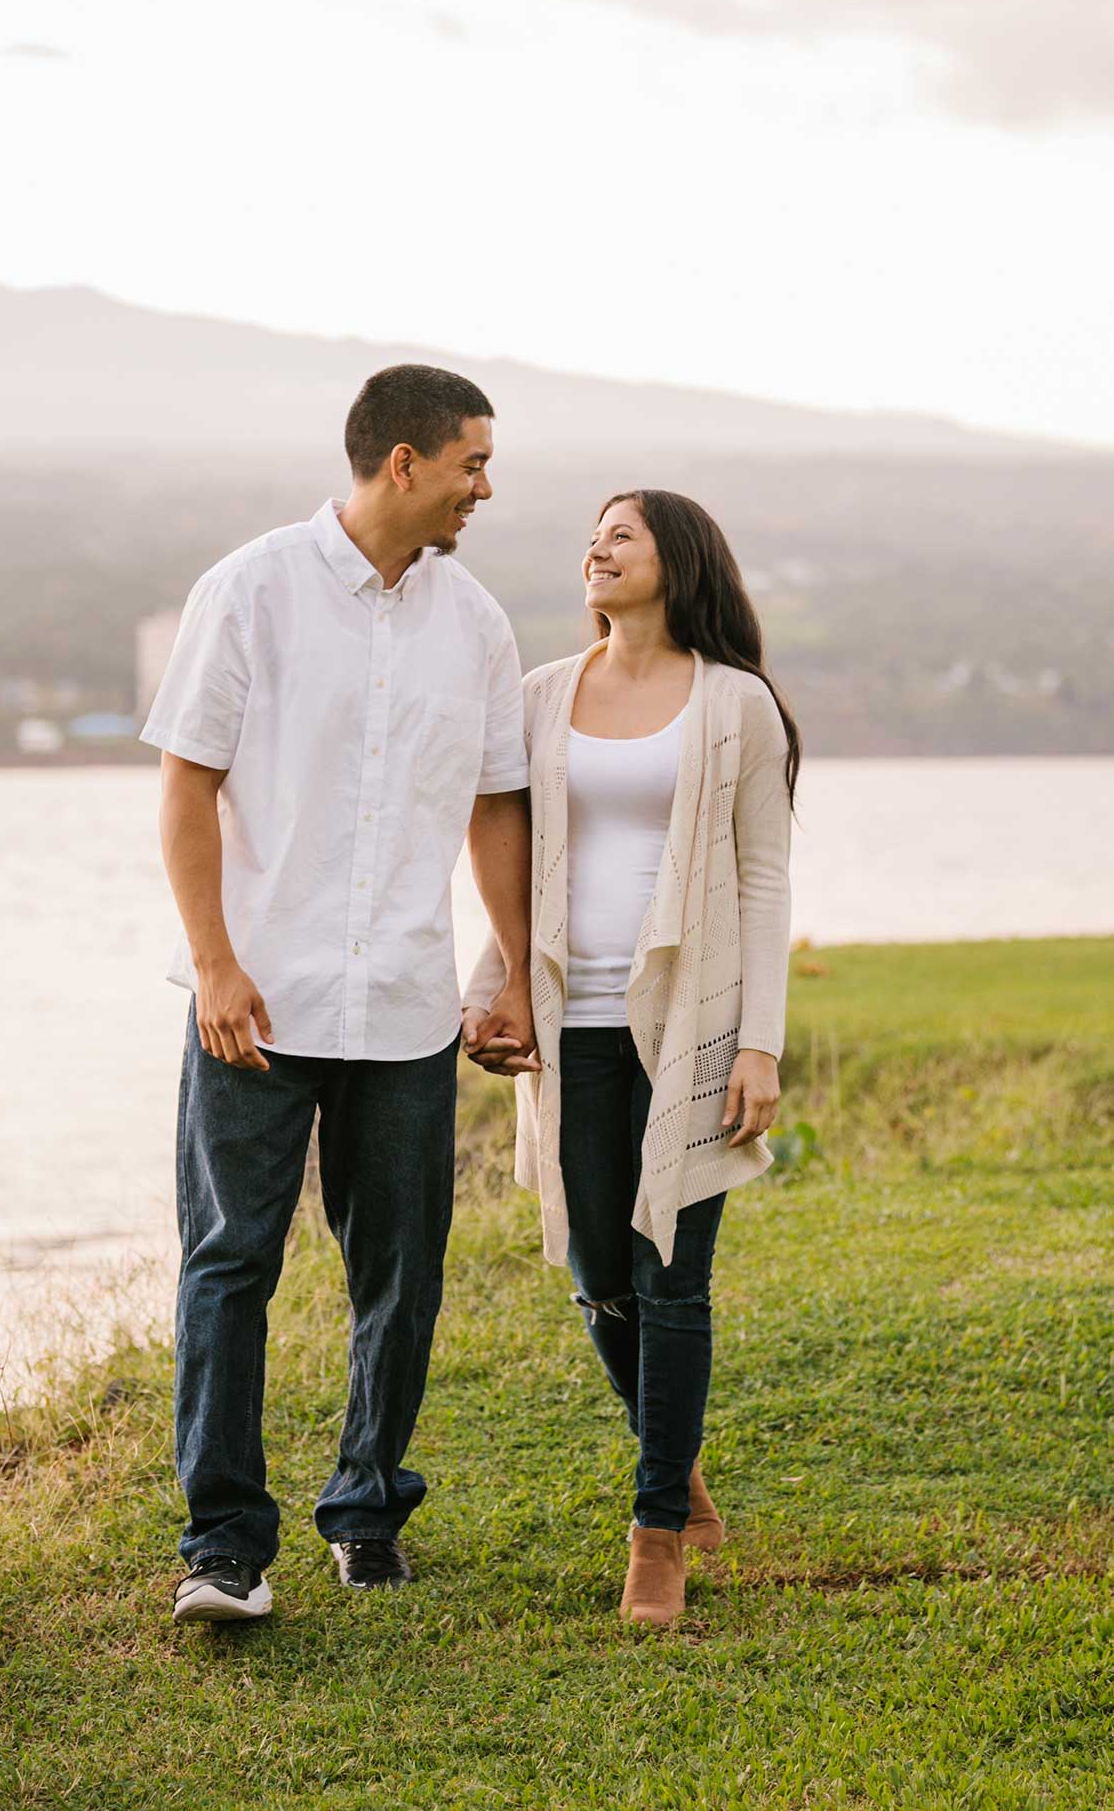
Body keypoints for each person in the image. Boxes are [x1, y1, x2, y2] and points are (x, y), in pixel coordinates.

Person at [140, 365, 534, 1623]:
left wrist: (512, 966)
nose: (487, 484)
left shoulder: (475, 622)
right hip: (253, 1004)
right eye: (473, 460)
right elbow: (187, 787)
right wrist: (213, 960)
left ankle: (365, 1513)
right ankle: (222, 1546)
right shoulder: (249, 588)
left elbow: (493, 808)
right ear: (403, 461)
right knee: (227, 1265)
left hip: (408, 1005)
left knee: (402, 1276)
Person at [463, 488, 798, 1627]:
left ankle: (657, 1530)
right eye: (593, 533)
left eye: (623, 532)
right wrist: (495, 981)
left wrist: (759, 1041)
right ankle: (682, 1465)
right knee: (596, 1267)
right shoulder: (539, 696)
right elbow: (505, 851)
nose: (596, 547)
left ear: (679, 559)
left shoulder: (735, 704)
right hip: (574, 1019)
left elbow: (762, 880)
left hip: (691, 1022)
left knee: (674, 1271)